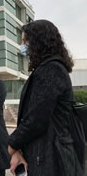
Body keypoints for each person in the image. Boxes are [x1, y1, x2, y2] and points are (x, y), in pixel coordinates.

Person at [8, 20, 84, 176]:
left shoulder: (51, 69)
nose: (22, 45)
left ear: (38, 42)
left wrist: (13, 144)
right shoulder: (46, 69)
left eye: (25, 41)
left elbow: (37, 118)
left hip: (53, 158)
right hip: (44, 154)